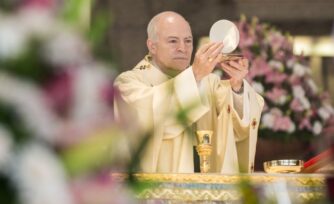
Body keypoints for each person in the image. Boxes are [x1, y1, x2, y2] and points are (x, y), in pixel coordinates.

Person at [114, 11, 264, 173]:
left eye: (188, 41)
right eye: (173, 41)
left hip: (207, 191)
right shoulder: (128, 83)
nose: (182, 48)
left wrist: (236, 87)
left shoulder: (209, 82)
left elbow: (237, 130)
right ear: (152, 46)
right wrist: (195, 75)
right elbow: (151, 120)